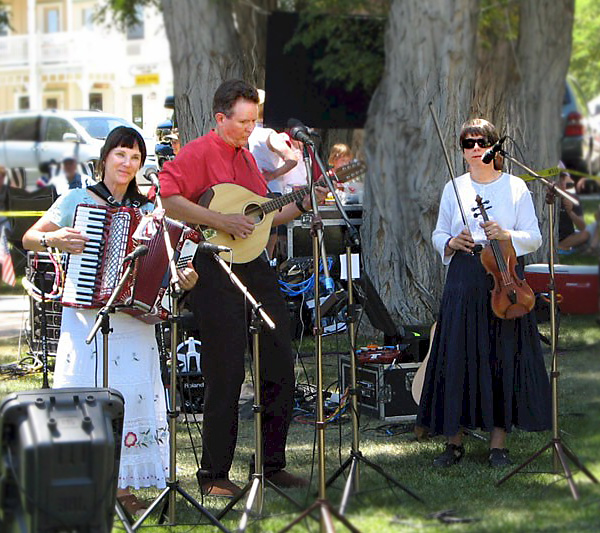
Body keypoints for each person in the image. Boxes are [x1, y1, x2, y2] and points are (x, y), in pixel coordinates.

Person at [158, 79, 326, 497]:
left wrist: (306, 200)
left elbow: (264, 217)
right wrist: (219, 221)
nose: (251, 128)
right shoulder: (198, 152)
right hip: (212, 265)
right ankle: (213, 475)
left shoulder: (247, 158)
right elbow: (168, 199)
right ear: (220, 118)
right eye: (243, 121)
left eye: (254, 120)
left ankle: (271, 464)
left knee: (279, 360)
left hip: (252, 263)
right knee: (227, 368)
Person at [22, 126, 198, 516]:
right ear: (105, 158)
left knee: (130, 398)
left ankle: (120, 486)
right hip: (87, 314)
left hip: (134, 319)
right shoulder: (76, 199)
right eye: (121, 154)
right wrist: (57, 239)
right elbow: (30, 238)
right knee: (85, 397)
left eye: (135, 158)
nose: (127, 163)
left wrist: (186, 276)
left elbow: (172, 263)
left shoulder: (149, 210)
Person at [416, 118, 551, 468]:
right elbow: (438, 233)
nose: (474, 149)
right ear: (462, 151)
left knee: (501, 355)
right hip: (464, 274)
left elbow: (534, 237)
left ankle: (498, 444)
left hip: (505, 276)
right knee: (457, 354)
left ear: (494, 147)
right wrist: (449, 242)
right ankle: (453, 441)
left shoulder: (516, 186)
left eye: (480, 142)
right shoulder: (454, 187)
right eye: (467, 143)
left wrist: (506, 233)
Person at [557, 166, 598, 252]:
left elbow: (582, 226)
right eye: (559, 179)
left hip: (568, 237)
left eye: (563, 179)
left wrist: (570, 212)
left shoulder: (573, 198)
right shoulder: (548, 197)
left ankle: (561, 246)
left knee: (585, 235)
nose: (561, 183)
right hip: (550, 236)